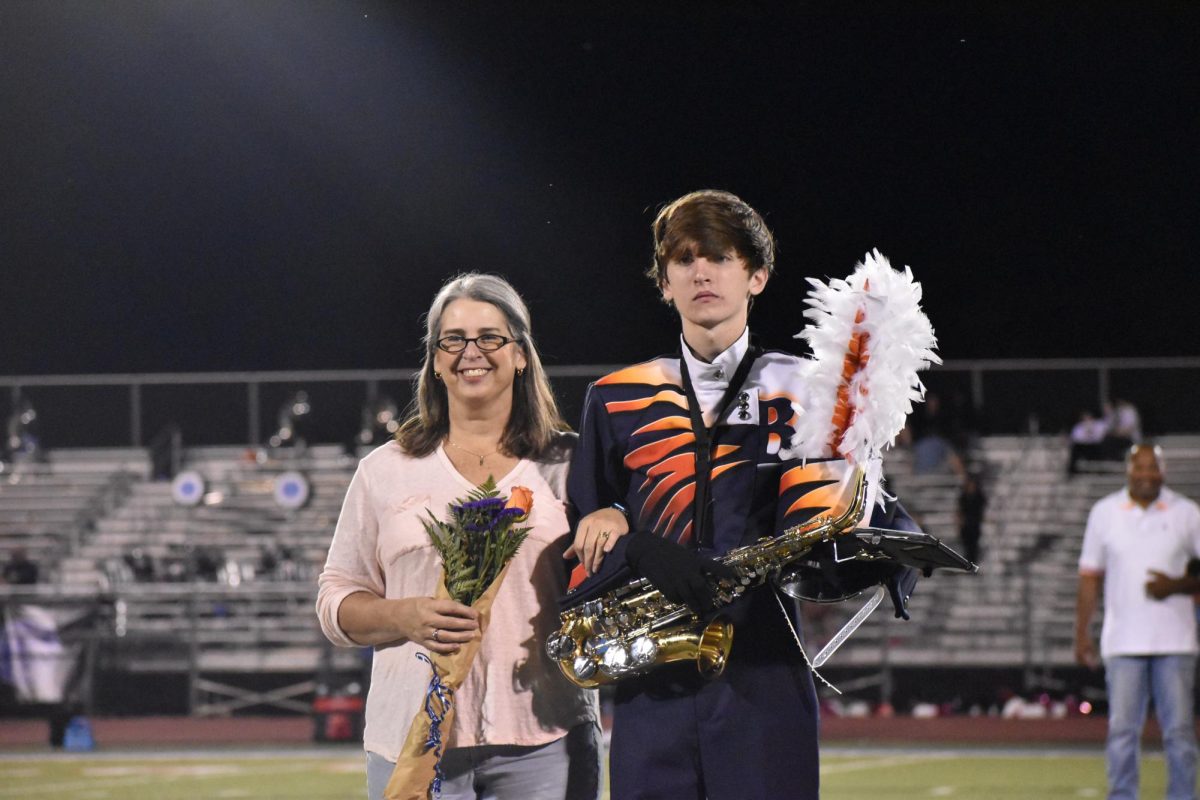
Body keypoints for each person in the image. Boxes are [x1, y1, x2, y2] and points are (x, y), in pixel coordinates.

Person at [565, 190, 918, 800]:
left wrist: (886, 549)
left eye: (720, 257)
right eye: (682, 259)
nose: (700, 271)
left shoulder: (810, 388)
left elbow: (855, 511)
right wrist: (641, 549)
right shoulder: (615, 396)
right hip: (653, 675)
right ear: (665, 282)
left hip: (766, 670)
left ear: (756, 275)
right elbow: (585, 537)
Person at [316, 273, 600, 800]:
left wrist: (619, 514)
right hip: (411, 740)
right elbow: (335, 600)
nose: (472, 352)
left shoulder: (572, 462)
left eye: (491, 336)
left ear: (520, 354)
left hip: (545, 737)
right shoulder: (386, 469)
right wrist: (401, 615)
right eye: (453, 339)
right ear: (435, 360)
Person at [1074, 444, 1200, 800]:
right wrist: (1081, 633)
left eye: (1153, 468)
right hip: (1123, 642)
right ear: (1128, 470)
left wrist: (1175, 585)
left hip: (1176, 641)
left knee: (1179, 733)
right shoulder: (1104, 512)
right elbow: (1089, 577)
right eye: (1140, 468)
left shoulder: (1187, 513)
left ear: (1163, 471)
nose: (1146, 475)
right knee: (1123, 732)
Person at [956, 472, 987, 565]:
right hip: (966, 525)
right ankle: (967, 562)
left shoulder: (979, 496)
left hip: (975, 524)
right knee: (966, 545)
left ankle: (973, 563)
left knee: (974, 546)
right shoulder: (963, 497)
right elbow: (960, 510)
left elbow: (981, 510)